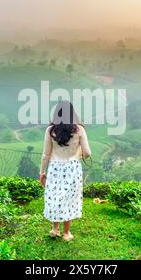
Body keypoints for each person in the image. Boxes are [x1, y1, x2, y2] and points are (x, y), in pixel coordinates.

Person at [39, 100, 92, 241]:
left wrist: (42, 172)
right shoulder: (79, 130)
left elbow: (45, 154)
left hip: (55, 167)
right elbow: (87, 153)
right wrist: (78, 152)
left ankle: (54, 229)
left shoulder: (50, 130)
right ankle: (66, 233)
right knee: (69, 197)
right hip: (72, 167)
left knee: (54, 196)